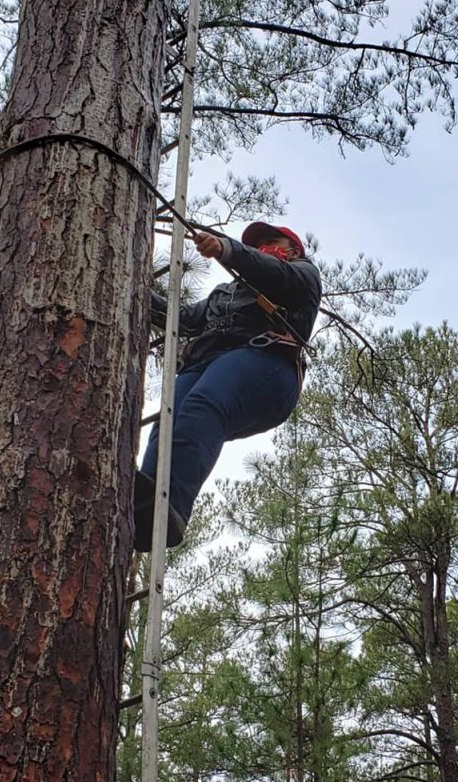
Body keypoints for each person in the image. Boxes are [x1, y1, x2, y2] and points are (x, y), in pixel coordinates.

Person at [133, 221, 322, 552]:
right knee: (168, 417)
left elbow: (272, 272)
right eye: (258, 243)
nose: (264, 246)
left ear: (293, 250)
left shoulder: (301, 275)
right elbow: (186, 318)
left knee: (202, 406)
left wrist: (229, 250)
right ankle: (139, 503)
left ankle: (172, 506)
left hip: (267, 362)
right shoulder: (227, 293)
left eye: (271, 241)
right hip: (209, 361)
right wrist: (134, 290)